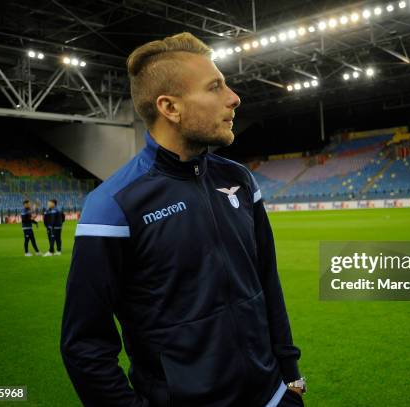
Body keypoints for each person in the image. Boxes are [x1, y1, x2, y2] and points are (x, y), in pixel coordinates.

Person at [60, 32, 305, 407]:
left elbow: (267, 284)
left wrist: (289, 376)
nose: (234, 98)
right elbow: (84, 344)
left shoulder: (238, 179)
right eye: (215, 87)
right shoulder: (113, 206)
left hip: (272, 397)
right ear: (170, 108)